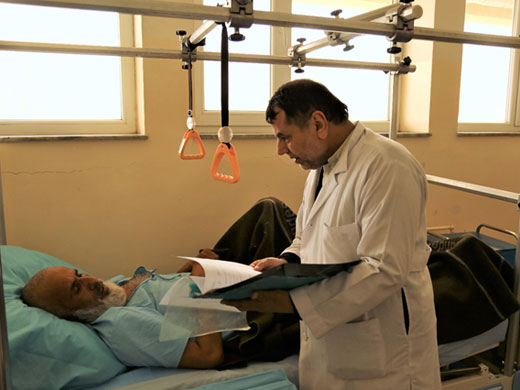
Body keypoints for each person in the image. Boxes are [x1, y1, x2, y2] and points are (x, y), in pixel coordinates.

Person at [222, 79, 442, 389]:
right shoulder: (320, 169)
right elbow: (308, 236)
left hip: (382, 353)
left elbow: (384, 269)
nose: (280, 150)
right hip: (333, 342)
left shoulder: (387, 166)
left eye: (285, 137)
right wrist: (286, 263)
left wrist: (294, 302)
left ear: (318, 123)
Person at [21, 197, 300, 370]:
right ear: (70, 315)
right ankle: (323, 266)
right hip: (249, 311)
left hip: (214, 280)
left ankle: (307, 256)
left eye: (79, 275)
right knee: (275, 219)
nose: (90, 281)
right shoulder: (119, 326)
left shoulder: (111, 292)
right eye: (76, 288)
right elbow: (208, 356)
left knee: (266, 210)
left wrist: (191, 268)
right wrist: (202, 285)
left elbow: (164, 298)